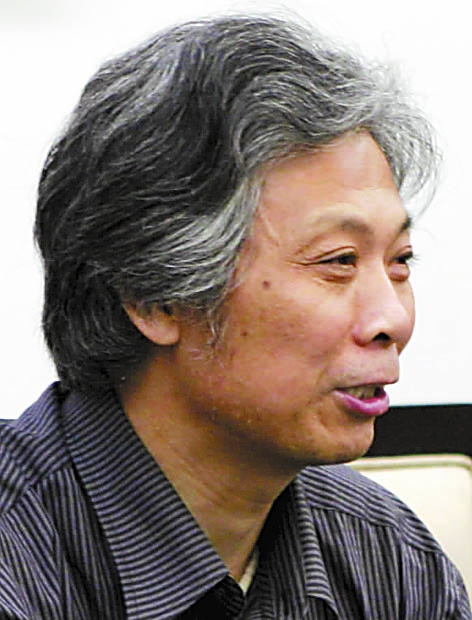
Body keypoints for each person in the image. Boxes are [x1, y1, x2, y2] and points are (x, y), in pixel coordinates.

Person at [0, 14, 469, 620]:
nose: (393, 320)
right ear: (154, 295)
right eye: (338, 261)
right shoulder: (20, 554)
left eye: (400, 261)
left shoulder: (388, 556)